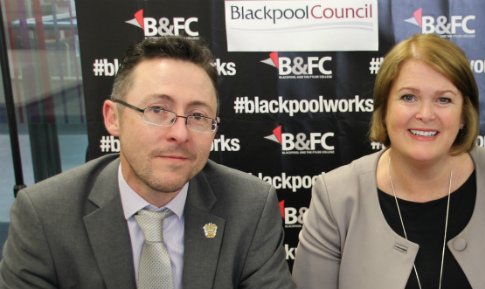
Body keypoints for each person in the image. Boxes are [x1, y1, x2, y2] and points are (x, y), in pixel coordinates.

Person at [0, 36, 292, 289]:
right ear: (113, 118)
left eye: (198, 116)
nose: (179, 133)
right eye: (157, 110)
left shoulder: (250, 206)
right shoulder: (44, 214)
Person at [291, 33, 485, 289]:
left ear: (464, 114)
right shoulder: (336, 194)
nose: (426, 114)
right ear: (384, 108)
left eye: (444, 100)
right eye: (409, 97)